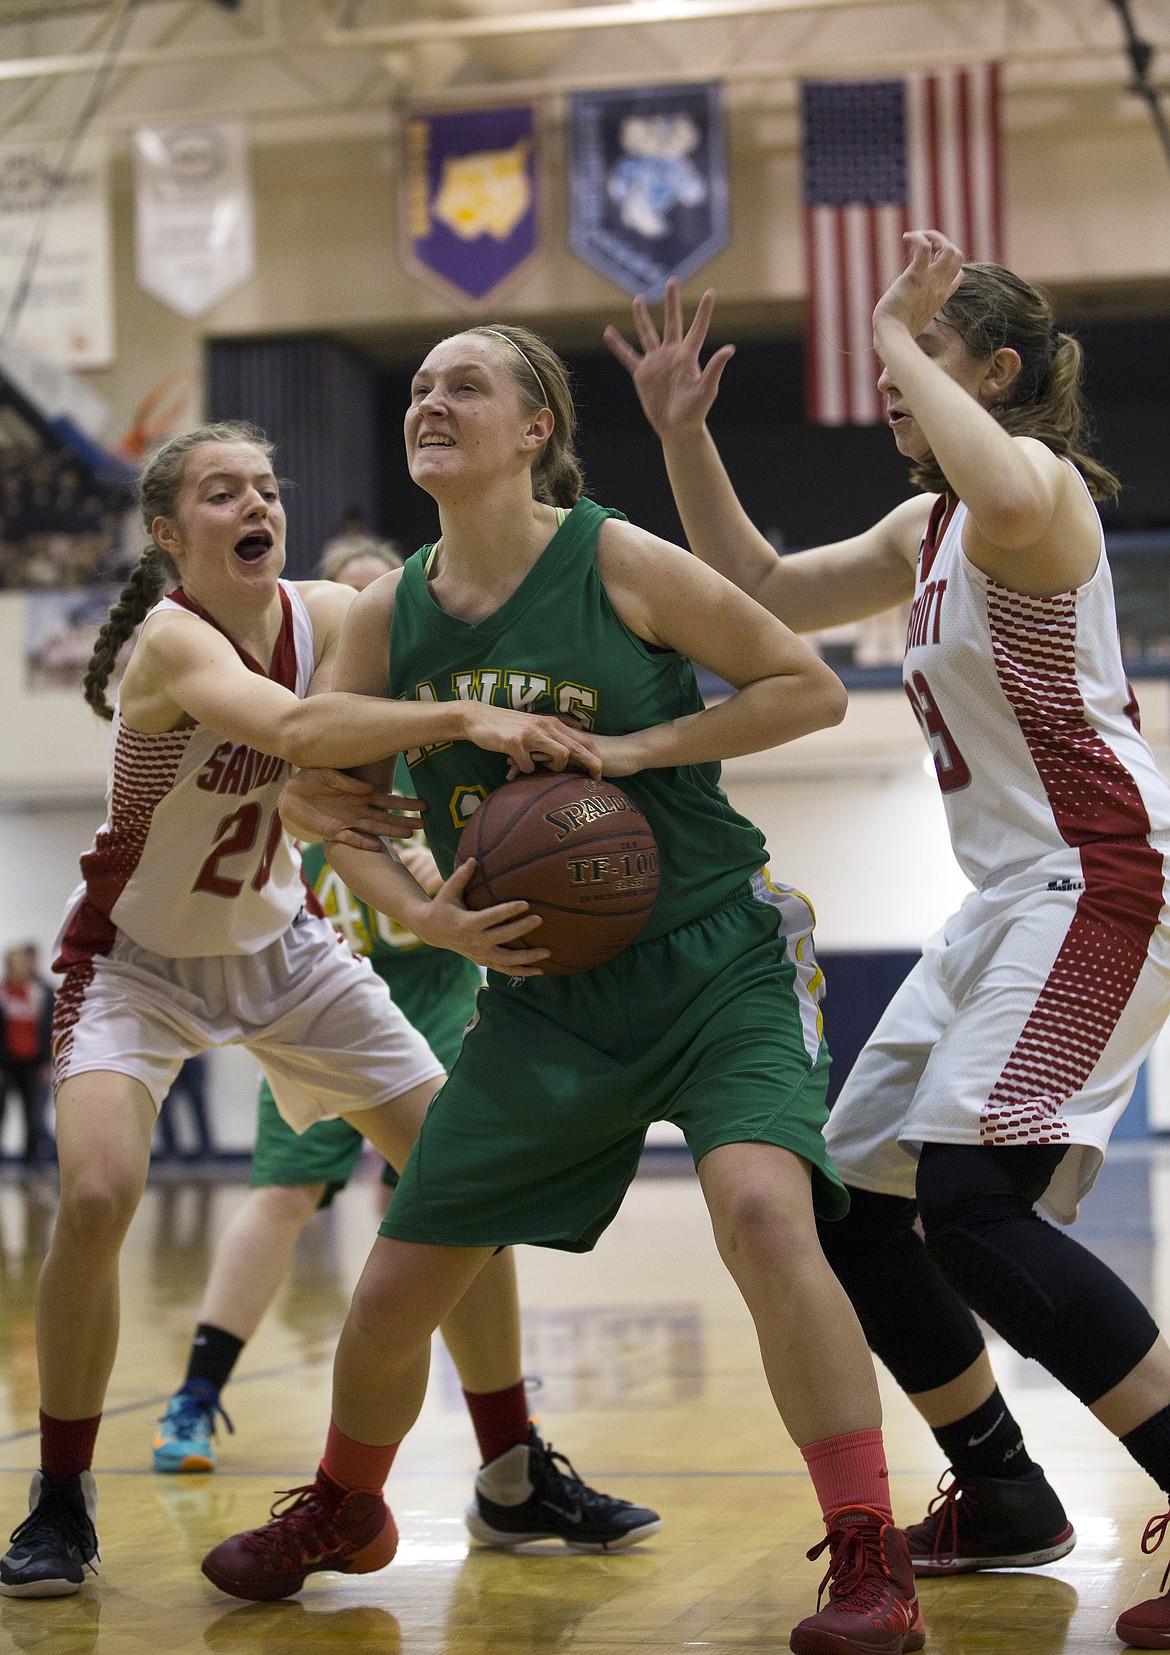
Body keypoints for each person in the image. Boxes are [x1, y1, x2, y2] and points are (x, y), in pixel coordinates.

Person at [201, 323, 926, 1655]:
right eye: (417, 386)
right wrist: (423, 908)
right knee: (394, 1285)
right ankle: (347, 1506)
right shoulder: (385, 609)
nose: (428, 399)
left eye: (462, 384)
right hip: (539, 995)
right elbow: (315, 789)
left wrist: (639, 745)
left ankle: (872, 1554)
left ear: (535, 427)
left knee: (766, 1215)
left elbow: (806, 686)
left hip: (715, 959)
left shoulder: (616, 555)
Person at [603, 231, 1170, 1646]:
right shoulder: (923, 534)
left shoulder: (1033, 497)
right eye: (889, 360)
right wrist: (683, 435)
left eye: (920, 356)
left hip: (1100, 875)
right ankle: (1001, 1490)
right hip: (1000, 901)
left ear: (996, 370)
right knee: (849, 1198)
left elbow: (999, 471)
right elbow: (755, 588)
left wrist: (891, 335)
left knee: (974, 1204)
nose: (890, 387)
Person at [0, 420, 632, 1602]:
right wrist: (463, 722)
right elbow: (292, 732)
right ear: (166, 533)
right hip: (134, 958)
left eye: (269, 486)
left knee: (461, 1174)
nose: (258, 503)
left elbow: (388, 661)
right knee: (94, 1192)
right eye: (224, 491)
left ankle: (509, 1467)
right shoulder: (171, 642)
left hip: (284, 944)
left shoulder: (322, 616)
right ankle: (61, 1494)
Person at [151, 546, 480, 1479]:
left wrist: (463, 868)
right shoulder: (291, 739)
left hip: (436, 998)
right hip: (321, 988)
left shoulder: (433, 738)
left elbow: (514, 838)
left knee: (445, 1200)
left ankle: (502, 1427)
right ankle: (196, 1393)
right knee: (281, 1195)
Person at [0, 944, 54, 1165]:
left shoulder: (41, 992)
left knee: (33, 1116)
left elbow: (51, 1030)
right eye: (18, 963)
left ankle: (32, 1163)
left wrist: (47, 1063)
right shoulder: (2, 993)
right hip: (7, 1064)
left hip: (33, 1063)